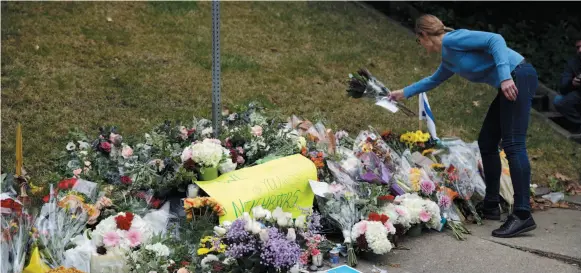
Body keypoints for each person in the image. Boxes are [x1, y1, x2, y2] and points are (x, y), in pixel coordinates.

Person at [389, 14, 539, 238]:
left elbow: (495, 39)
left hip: (518, 75)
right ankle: (491, 205)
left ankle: (522, 214)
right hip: (511, 80)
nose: (419, 44)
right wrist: (404, 93)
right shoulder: (449, 56)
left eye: (417, 39)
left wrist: (505, 77)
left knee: (514, 144)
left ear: (423, 35)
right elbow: (433, 80)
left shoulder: (453, 39)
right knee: (487, 142)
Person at [554, 39, 581, 133]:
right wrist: (572, 83)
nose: (580, 50)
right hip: (578, 93)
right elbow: (563, 87)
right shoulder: (572, 63)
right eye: (578, 47)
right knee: (558, 101)